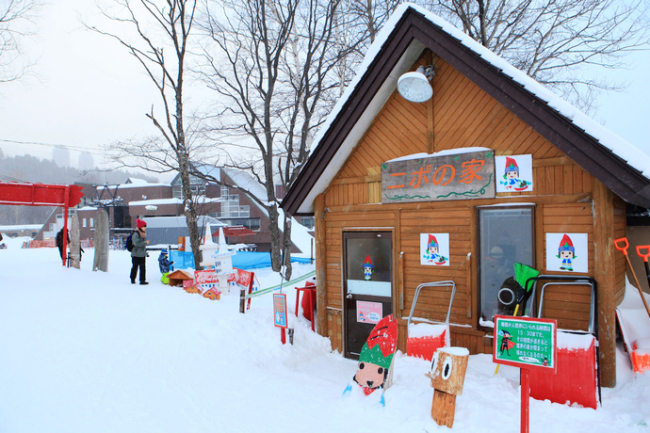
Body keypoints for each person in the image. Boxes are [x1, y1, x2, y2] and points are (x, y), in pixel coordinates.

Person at [130, 219, 150, 285]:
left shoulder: (143, 234)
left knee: (143, 268)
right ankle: (132, 279)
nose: (145, 228)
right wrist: (145, 243)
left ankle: (142, 280)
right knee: (135, 267)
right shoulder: (136, 234)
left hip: (141, 254)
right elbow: (136, 244)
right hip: (136, 254)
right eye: (144, 226)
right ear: (141, 227)